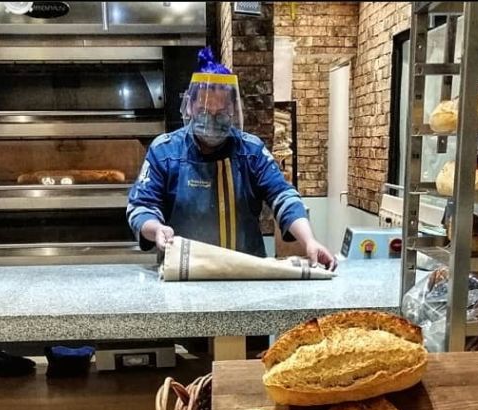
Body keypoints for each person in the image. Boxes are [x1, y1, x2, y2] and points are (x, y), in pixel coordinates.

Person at [126, 48, 335, 269]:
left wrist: (309, 241)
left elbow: (283, 196)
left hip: (246, 273)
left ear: (234, 110)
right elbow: (141, 207)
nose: (212, 121)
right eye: (205, 113)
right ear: (190, 107)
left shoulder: (251, 150)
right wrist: (156, 229)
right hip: (183, 272)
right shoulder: (165, 151)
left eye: (221, 114)